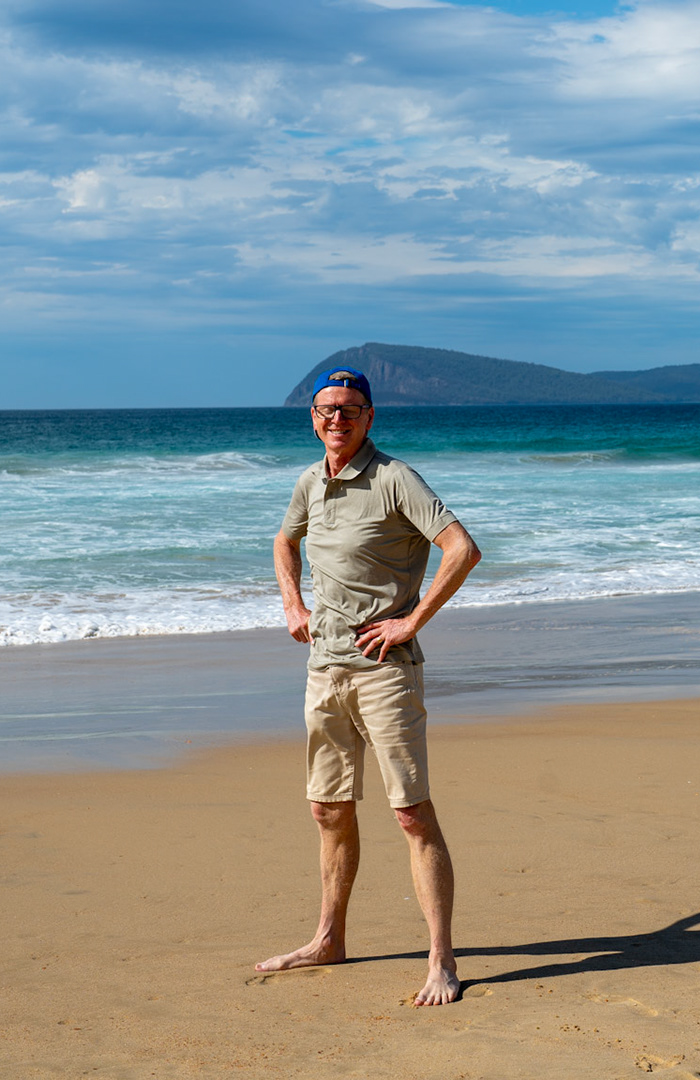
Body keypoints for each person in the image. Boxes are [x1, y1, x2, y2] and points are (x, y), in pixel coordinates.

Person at [256, 367, 482, 1006]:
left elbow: (461, 548)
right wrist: (291, 604)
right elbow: (283, 539)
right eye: (327, 409)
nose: (337, 419)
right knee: (328, 810)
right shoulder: (310, 480)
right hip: (323, 668)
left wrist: (411, 620)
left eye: (351, 409)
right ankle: (329, 938)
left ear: (370, 417)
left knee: (411, 814)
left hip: (384, 670)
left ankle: (441, 959)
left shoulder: (394, 480)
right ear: (313, 417)